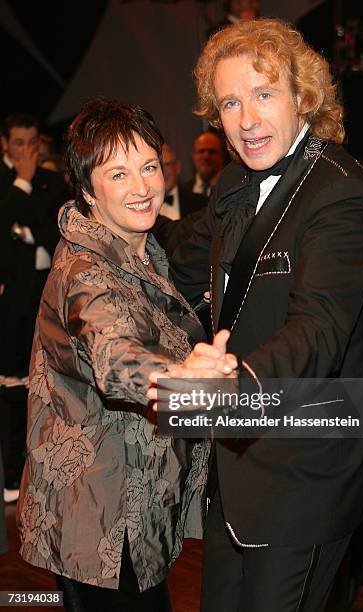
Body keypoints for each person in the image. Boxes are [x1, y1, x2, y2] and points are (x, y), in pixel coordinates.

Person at [149, 18, 363, 612]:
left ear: (302, 96)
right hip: (235, 464)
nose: (247, 120)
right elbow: (179, 277)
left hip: (306, 466)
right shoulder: (233, 181)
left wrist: (226, 388)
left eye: (263, 94)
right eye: (230, 102)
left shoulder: (344, 194)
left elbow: (318, 331)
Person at [15, 97, 224, 611]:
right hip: (99, 519)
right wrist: (186, 375)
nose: (141, 187)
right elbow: (116, 358)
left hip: (130, 504)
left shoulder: (141, 250)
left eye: (148, 166)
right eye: (118, 173)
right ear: (87, 190)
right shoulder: (85, 271)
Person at [0, 113, 69, 503]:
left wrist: (25, 229)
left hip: (47, 296)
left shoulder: (52, 181)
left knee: (45, 384)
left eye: (32, 143)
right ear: (6, 144)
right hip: (11, 304)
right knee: (11, 388)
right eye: (19, 143)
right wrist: (22, 186)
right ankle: (11, 473)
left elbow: (51, 232)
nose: (26, 151)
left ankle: (41, 470)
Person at [160, 143, 207, 220]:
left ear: (178, 167)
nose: (162, 171)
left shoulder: (201, 204)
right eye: (157, 166)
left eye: (166, 164)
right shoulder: (143, 205)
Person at [183, 131, 225, 197]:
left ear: (222, 156)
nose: (206, 156)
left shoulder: (231, 188)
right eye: (201, 151)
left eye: (212, 151)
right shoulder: (183, 191)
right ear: (193, 156)